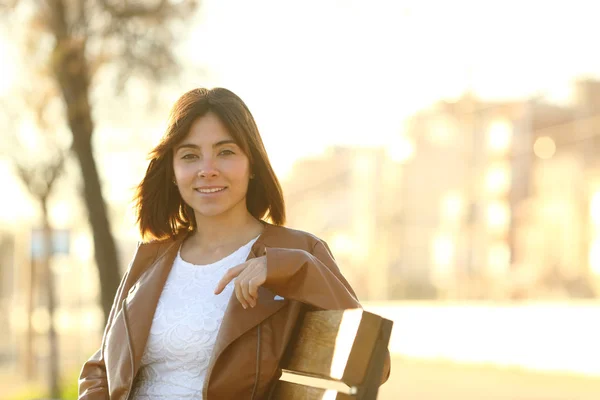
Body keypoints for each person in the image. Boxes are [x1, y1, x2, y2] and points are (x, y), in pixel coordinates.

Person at [78, 87, 390, 399]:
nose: (207, 170)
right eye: (190, 156)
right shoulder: (152, 258)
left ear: (252, 163)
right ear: (173, 171)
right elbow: (102, 369)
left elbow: (375, 362)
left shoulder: (299, 253)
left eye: (225, 152)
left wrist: (289, 268)